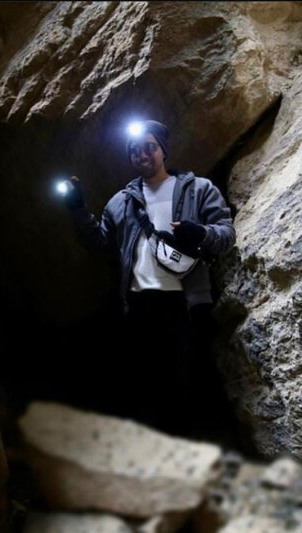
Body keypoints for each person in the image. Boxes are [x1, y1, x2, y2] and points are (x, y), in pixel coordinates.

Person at [63, 119, 236, 438]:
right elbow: (101, 243)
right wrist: (77, 210)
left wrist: (200, 232)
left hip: (185, 303)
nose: (142, 154)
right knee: (152, 386)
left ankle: (205, 449)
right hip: (140, 306)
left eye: (149, 147)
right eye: (135, 150)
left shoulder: (197, 190)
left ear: (163, 150)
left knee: (195, 380)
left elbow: (226, 234)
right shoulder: (120, 202)